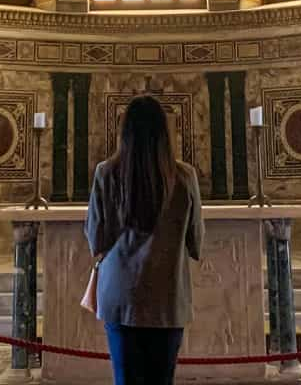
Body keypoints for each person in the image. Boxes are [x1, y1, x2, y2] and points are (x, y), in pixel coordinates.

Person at [85, 94, 204, 385]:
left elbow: (96, 239)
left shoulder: (106, 173)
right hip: (167, 296)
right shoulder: (185, 177)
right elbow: (195, 240)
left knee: (125, 379)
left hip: (121, 295)